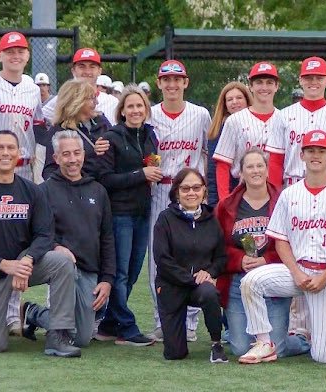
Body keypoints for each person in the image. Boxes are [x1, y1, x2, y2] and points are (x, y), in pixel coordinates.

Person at [238, 130, 326, 365]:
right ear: (302, 155)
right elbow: (281, 240)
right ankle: (264, 342)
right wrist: (296, 272)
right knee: (251, 281)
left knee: (322, 356)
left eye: (321, 151)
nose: (316, 155)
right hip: (296, 271)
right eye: (310, 151)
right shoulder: (289, 194)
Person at [0, 131, 80, 358]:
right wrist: (4, 264)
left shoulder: (32, 190)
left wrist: (27, 260)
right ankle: (27, 314)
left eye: (11, 148)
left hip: (24, 264)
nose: (5, 153)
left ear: (18, 153)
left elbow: (44, 234)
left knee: (62, 262)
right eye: (0, 148)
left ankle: (58, 335)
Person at [20, 130, 116, 348]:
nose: (72, 159)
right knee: (69, 332)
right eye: (66, 154)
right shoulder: (43, 191)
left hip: (88, 271)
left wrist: (107, 279)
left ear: (84, 154)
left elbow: (107, 238)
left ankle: (32, 313)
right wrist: (55, 247)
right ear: (56, 158)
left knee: (81, 338)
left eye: (76, 153)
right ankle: (44, 316)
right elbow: (36, 233)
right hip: (62, 269)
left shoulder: (98, 191)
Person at [216, 149, 310, 359]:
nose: (255, 171)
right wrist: (239, 260)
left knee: (278, 349)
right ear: (241, 173)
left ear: (268, 170)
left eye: (260, 166)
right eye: (249, 167)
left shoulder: (284, 200)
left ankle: (301, 339)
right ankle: (239, 333)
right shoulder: (227, 205)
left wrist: (266, 260)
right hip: (238, 281)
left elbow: (295, 243)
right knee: (240, 349)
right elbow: (217, 246)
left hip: (272, 280)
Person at [147, 59, 213, 341]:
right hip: (159, 189)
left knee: (194, 253)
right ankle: (162, 318)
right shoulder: (148, 114)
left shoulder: (200, 114)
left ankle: (191, 323)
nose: (172, 84)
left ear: (185, 82)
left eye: (177, 79)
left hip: (191, 191)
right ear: (159, 83)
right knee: (158, 256)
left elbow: (208, 153)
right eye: (166, 79)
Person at [97, 87, 159, 346]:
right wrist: (140, 175)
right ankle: (126, 326)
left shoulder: (150, 135)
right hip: (120, 213)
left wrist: (150, 172)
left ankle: (109, 324)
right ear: (122, 111)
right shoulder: (111, 137)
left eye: (140, 106)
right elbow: (105, 179)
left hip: (143, 212)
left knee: (132, 272)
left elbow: (151, 164)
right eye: (130, 106)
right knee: (120, 272)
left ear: (146, 109)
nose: (135, 110)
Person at [151, 168, 228, 362]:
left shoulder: (212, 220)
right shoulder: (165, 219)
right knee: (175, 354)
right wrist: (191, 279)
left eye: (196, 188)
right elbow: (162, 259)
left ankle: (216, 343)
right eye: (185, 189)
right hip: (172, 286)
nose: (191, 193)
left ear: (204, 191)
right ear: (177, 192)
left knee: (209, 292)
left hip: (200, 286)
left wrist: (209, 272)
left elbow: (221, 257)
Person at [266, 57, 326, 188]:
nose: (313, 82)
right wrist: (275, 193)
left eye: (319, 78)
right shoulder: (283, 115)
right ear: (300, 80)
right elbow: (275, 159)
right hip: (292, 185)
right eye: (308, 78)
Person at [0, 32, 42, 182]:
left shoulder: (33, 89)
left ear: (27, 56)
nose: (16, 56)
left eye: (20, 52)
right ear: (0, 56)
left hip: (25, 167)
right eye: (10, 52)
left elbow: (38, 125)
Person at [213, 61, 281, 202]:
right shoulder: (235, 120)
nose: (264, 87)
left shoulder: (285, 119)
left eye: (269, 82)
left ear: (276, 86)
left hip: (278, 193)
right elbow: (223, 165)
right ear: (250, 86)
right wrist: (225, 201)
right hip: (243, 192)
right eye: (259, 82)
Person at [38, 80, 110, 181]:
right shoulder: (59, 131)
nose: (96, 102)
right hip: (77, 185)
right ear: (77, 102)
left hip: (105, 183)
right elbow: (49, 170)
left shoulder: (101, 122)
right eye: (92, 98)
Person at [41, 48, 120, 126]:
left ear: (99, 71)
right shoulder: (62, 99)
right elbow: (40, 119)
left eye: (92, 67)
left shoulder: (112, 102)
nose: (87, 71)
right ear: (73, 71)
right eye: (82, 67)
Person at [206, 82, 251, 205]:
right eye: (230, 99)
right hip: (230, 192)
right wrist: (216, 203)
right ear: (225, 104)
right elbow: (213, 170)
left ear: (247, 100)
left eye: (239, 98)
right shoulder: (218, 130)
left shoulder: (258, 125)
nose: (234, 102)